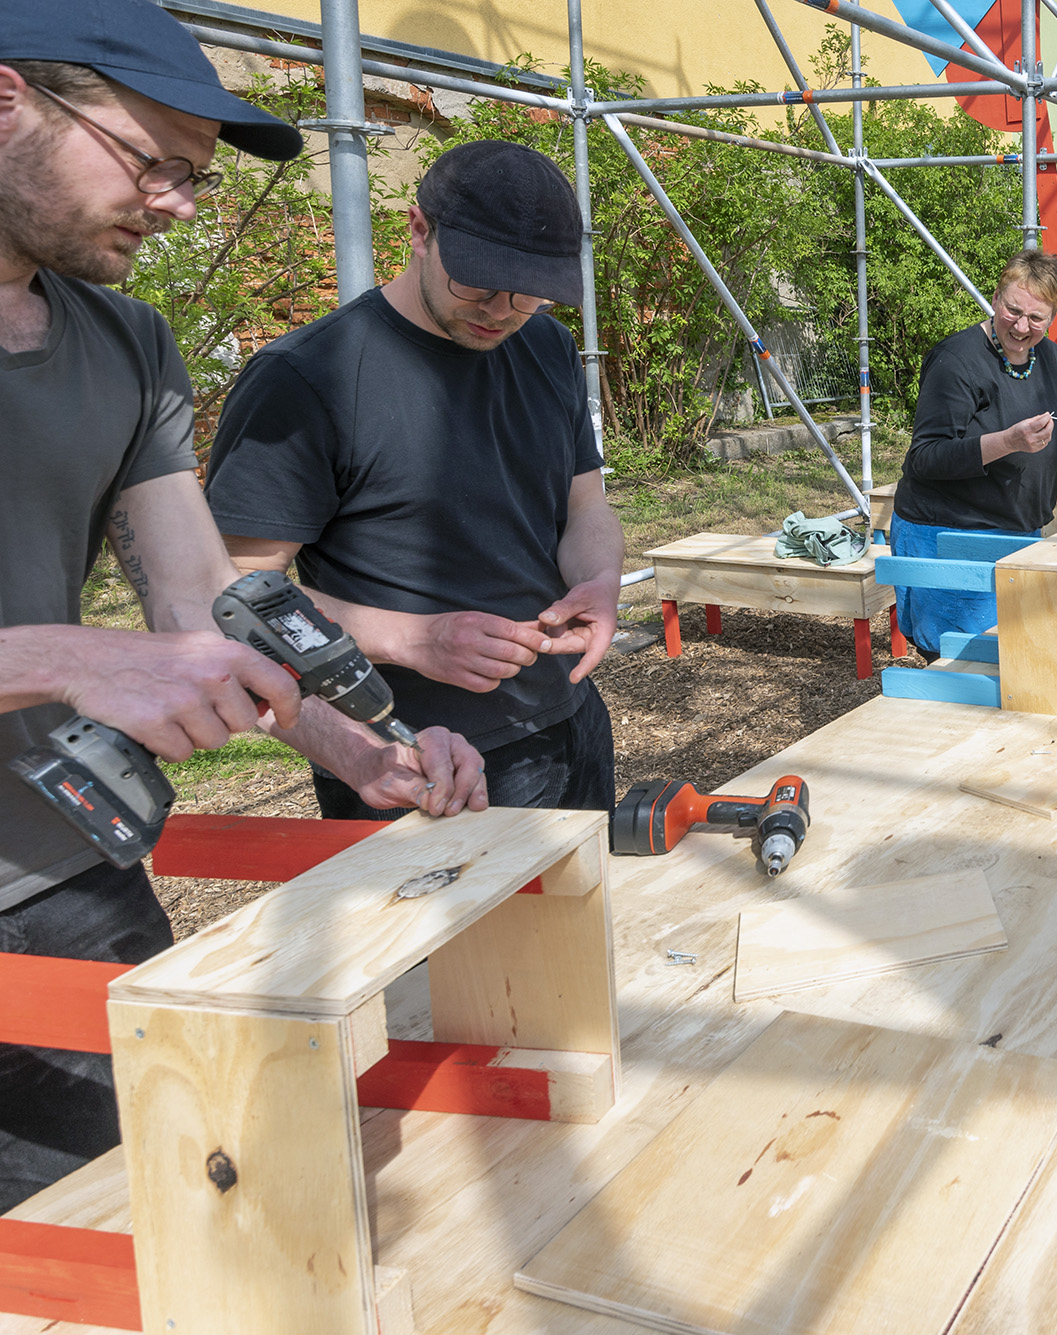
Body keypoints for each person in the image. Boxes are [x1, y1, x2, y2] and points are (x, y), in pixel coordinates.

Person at [0, 0, 486, 1211]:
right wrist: (66, 657)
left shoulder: (129, 345)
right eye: (150, 159)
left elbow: (206, 599)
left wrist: (355, 747)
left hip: (58, 872)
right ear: (9, 97)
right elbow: (108, 655)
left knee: (167, 1216)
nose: (173, 201)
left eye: (193, 179)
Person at [206, 140, 627, 819]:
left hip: (571, 717)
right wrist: (415, 638)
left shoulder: (545, 346)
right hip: (417, 758)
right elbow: (228, 600)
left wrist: (601, 581)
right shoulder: (308, 379)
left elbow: (586, 508)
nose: (501, 310)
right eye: (479, 283)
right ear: (419, 230)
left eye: (529, 296)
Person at [891, 250, 1057, 657]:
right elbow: (926, 457)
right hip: (951, 535)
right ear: (995, 298)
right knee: (962, 662)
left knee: (1012, 660)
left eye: (1037, 318)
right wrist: (1007, 441)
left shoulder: (1050, 360)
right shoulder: (956, 361)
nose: (1022, 326)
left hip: (1018, 534)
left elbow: (1050, 445)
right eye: (1013, 310)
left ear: (1052, 318)